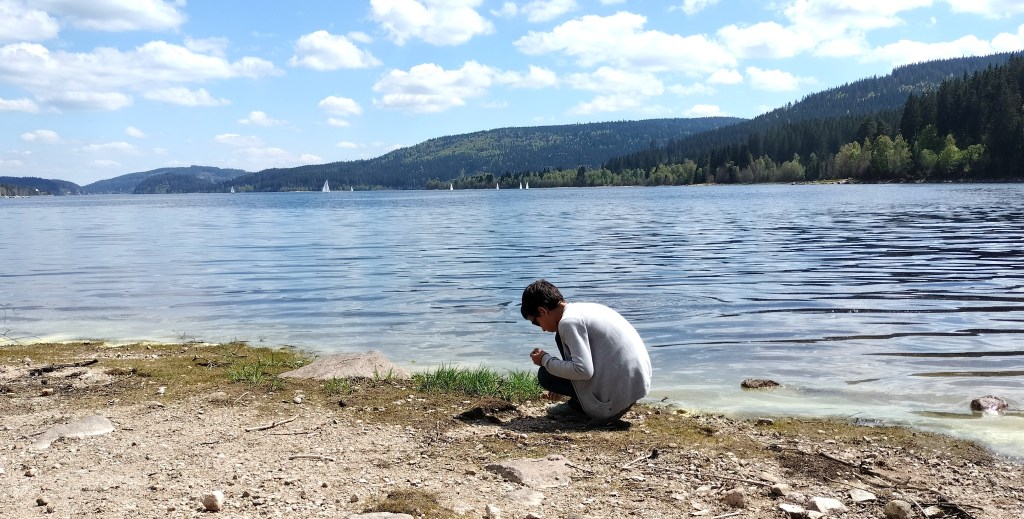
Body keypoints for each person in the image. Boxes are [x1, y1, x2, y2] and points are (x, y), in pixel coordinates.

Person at [521, 279, 652, 424]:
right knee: (560, 339)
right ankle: (579, 402)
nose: (542, 329)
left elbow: (583, 370)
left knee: (545, 374)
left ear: (542, 311)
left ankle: (580, 408)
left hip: (611, 404)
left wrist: (545, 360)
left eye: (536, 322)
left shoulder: (568, 322)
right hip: (635, 388)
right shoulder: (584, 309)